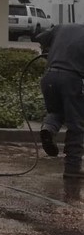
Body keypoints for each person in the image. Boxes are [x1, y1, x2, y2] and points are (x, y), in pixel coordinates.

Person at [36, 23, 84, 176]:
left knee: (57, 111)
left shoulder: (62, 27)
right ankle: (72, 168)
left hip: (49, 77)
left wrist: (48, 49)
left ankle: (48, 129)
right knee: (76, 125)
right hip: (70, 80)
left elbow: (40, 37)